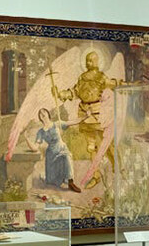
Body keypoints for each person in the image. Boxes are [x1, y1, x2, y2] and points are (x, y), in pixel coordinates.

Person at [52, 51, 122, 188]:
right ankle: (96, 176)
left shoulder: (101, 77)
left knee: (107, 144)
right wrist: (60, 94)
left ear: (97, 61)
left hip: (98, 114)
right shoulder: (82, 78)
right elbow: (74, 92)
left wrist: (127, 84)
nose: (88, 62)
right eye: (87, 60)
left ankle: (118, 169)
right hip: (84, 113)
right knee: (91, 147)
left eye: (91, 60)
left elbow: (114, 84)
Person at [6, 108, 81, 193]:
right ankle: (56, 177)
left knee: (66, 157)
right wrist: (26, 138)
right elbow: (35, 148)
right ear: (40, 118)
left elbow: (72, 122)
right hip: (52, 156)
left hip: (62, 149)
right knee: (53, 181)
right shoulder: (41, 132)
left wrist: (85, 116)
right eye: (40, 114)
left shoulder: (57, 124)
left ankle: (71, 182)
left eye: (44, 112)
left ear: (48, 114)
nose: (42, 114)